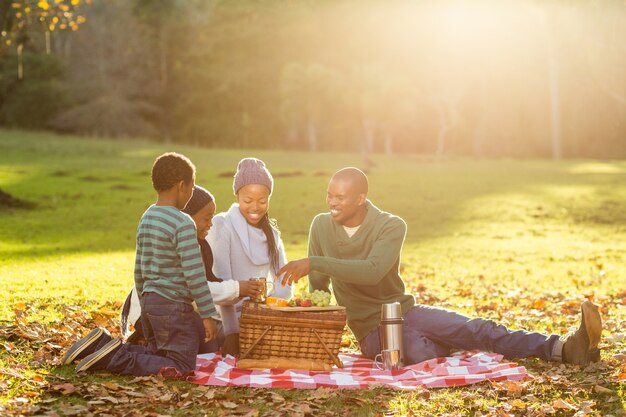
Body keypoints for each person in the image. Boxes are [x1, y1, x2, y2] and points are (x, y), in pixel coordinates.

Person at [278, 167, 603, 366]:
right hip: (369, 329)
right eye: (329, 195)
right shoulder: (321, 226)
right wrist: (313, 321)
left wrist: (313, 261)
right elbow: (318, 286)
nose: (332, 203)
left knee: (479, 329)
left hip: (405, 310)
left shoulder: (391, 225)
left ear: (361, 198)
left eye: (341, 197)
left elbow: (373, 269)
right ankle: (447, 341)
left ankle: (564, 349)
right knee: (421, 351)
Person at [62, 152, 219, 375]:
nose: (191, 193)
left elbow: (140, 267)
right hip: (174, 306)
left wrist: (145, 303)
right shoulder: (183, 223)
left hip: (150, 300)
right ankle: (114, 358)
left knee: (160, 354)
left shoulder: (147, 216)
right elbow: (194, 275)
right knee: (183, 366)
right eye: (192, 188)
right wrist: (207, 314)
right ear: (182, 186)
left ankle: (99, 346)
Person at [119, 185, 264, 352]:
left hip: (176, 308)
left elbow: (205, 286)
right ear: (187, 218)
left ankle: (156, 345)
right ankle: (138, 347)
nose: (211, 224)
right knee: (203, 344)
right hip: (155, 310)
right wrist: (239, 288)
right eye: (206, 218)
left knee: (214, 339)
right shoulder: (180, 244)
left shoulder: (201, 245)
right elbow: (193, 288)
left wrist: (242, 292)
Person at [207, 157, 292, 356]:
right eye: (248, 200)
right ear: (237, 197)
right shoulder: (222, 225)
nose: (255, 207)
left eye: (262, 201)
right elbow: (222, 281)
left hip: (257, 316)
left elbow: (284, 282)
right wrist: (232, 333)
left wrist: (269, 310)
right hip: (222, 320)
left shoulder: (272, 233)